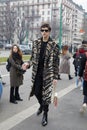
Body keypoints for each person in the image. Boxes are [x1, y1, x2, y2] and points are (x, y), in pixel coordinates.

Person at [23, 22, 59, 126]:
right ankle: (41, 106)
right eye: (42, 30)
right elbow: (32, 59)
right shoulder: (36, 43)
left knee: (46, 96)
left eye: (46, 30)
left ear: (49, 31)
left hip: (48, 74)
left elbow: (56, 62)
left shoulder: (54, 46)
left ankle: (45, 115)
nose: (44, 32)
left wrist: (55, 76)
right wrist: (27, 64)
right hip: (37, 73)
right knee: (37, 92)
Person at [78, 41, 87, 113]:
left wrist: (79, 75)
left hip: (86, 77)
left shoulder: (84, 55)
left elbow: (81, 67)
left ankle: (84, 103)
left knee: (86, 92)